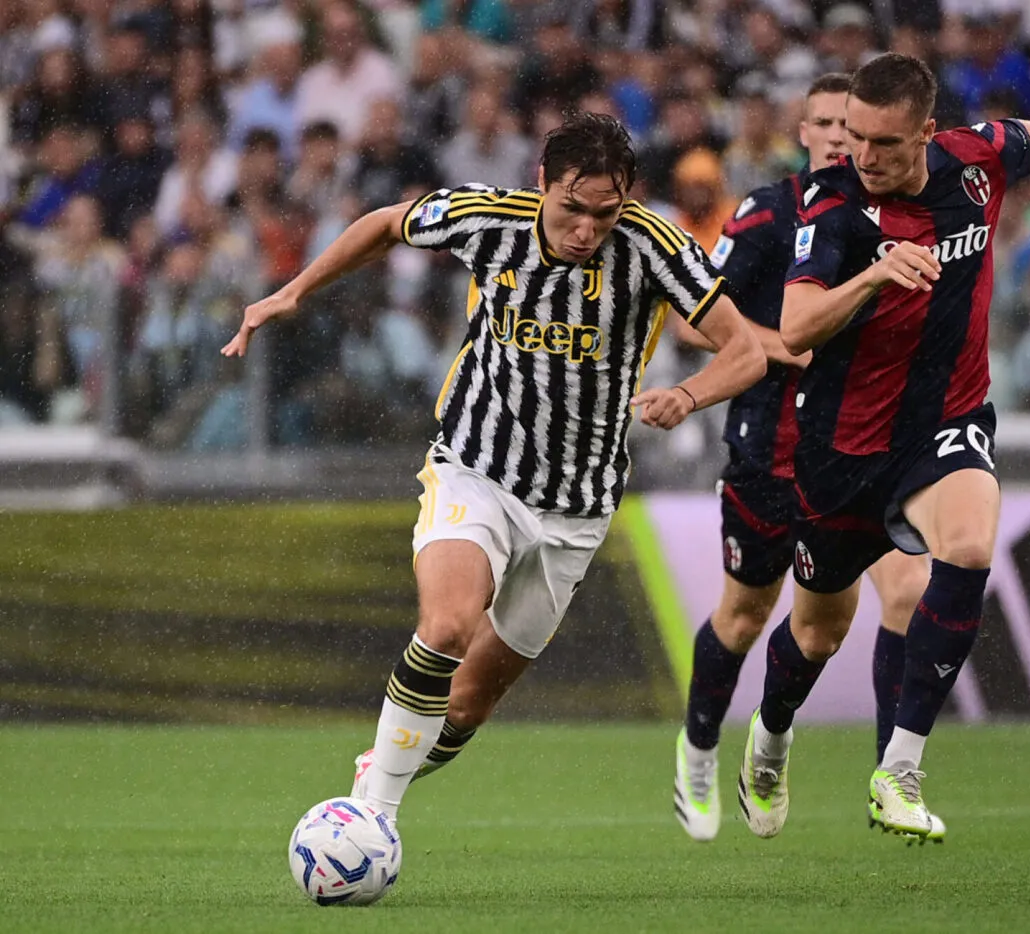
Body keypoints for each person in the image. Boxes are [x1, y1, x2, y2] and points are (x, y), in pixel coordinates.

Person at [221, 112, 766, 828]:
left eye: (604, 213)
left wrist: (689, 395)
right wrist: (297, 288)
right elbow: (387, 223)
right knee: (447, 626)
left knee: (470, 705)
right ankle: (369, 818)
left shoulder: (652, 245)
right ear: (541, 182)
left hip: (577, 508)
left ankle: (383, 771)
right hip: (476, 469)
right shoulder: (489, 218)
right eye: (571, 208)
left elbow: (746, 351)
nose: (585, 230)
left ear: (626, 198)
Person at [736, 54, 1030, 844]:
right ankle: (772, 732)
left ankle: (900, 768)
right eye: (854, 136)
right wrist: (873, 279)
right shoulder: (833, 205)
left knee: (967, 543)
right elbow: (794, 328)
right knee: (817, 634)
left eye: (885, 142)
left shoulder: (975, 159)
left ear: (928, 132)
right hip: (842, 451)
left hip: (944, 425)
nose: (864, 155)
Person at [671, 73, 933, 843]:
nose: (836, 137)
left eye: (845, 124)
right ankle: (698, 745)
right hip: (769, 448)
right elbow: (692, 319)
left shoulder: (900, 211)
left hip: (864, 451)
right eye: (821, 123)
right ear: (804, 131)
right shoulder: (767, 212)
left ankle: (884, 770)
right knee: (747, 613)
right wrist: (787, 348)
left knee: (897, 594)